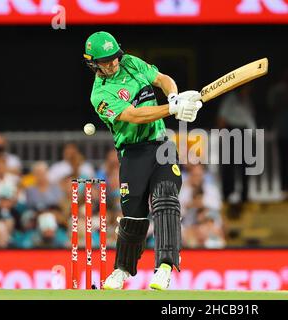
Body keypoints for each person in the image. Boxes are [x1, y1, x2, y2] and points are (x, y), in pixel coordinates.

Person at [83, 31, 203, 290]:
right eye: (106, 61)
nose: (114, 63)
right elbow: (134, 115)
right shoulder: (99, 95)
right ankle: (123, 269)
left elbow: (162, 79)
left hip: (161, 145)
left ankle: (165, 266)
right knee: (134, 215)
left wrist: (174, 97)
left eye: (115, 57)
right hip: (132, 153)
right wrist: (172, 110)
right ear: (93, 63)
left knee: (166, 198)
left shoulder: (131, 62)